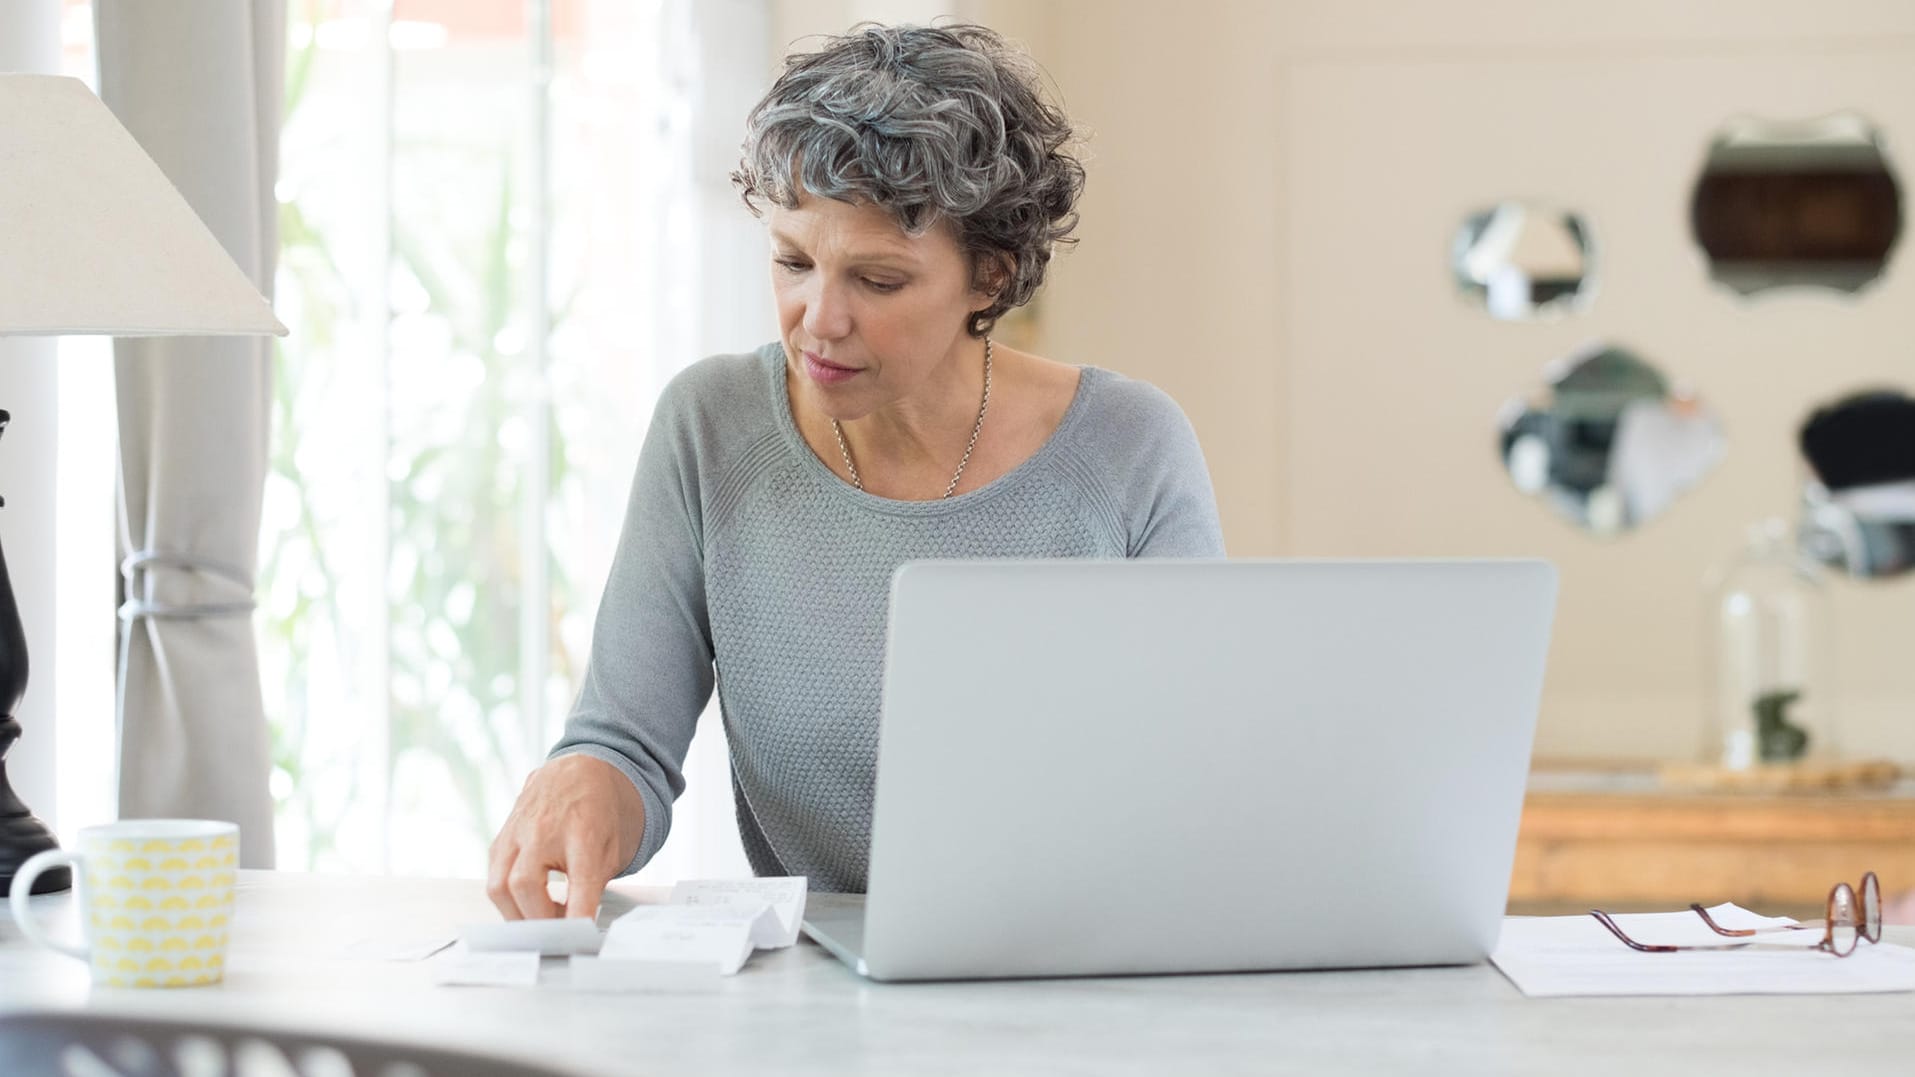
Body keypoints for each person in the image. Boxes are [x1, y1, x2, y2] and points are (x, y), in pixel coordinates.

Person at [486, 23, 1225, 920]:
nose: (818, 320)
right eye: (793, 262)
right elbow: (626, 744)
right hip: (820, 994)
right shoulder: (710, 427)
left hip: (1086, 969)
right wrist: (586, 780)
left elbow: (1195, 777)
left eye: (877, 281)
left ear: (988, 277)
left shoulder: (1129, 447)